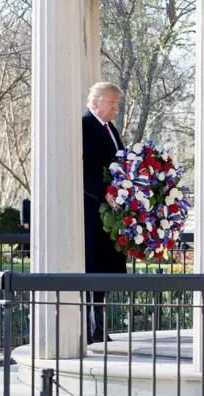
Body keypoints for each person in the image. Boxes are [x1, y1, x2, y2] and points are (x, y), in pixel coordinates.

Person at [82, 82, 127, 344]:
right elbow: (81, 168)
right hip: (94, 213)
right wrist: (105, 194)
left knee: (105, 274)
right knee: (94, 271)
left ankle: (98, 328)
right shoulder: (85, 125)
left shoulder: (110, 129)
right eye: (112, 104)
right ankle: (92, 330)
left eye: (117, 104)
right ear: (96, 101)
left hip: (109, 215)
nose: (115, 109)